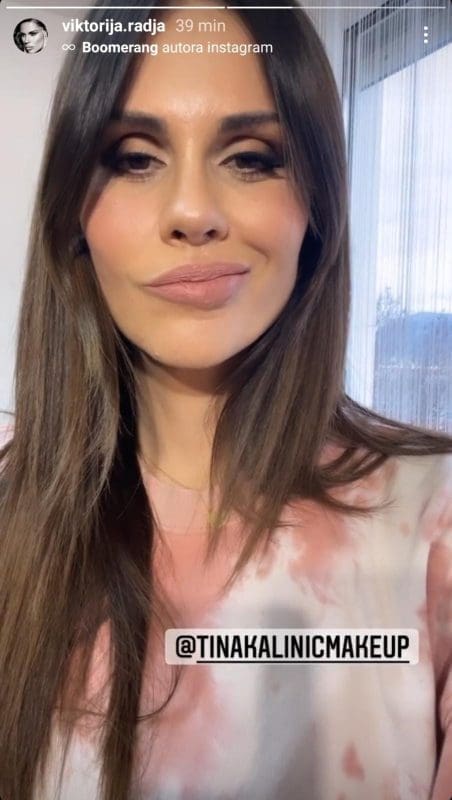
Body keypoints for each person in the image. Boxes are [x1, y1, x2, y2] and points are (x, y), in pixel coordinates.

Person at [1, 0, 451, 798]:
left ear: (316, 207)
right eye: (134, 158)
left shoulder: (434, 526)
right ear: (72, 215)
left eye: (250, 158)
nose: (193, 213)